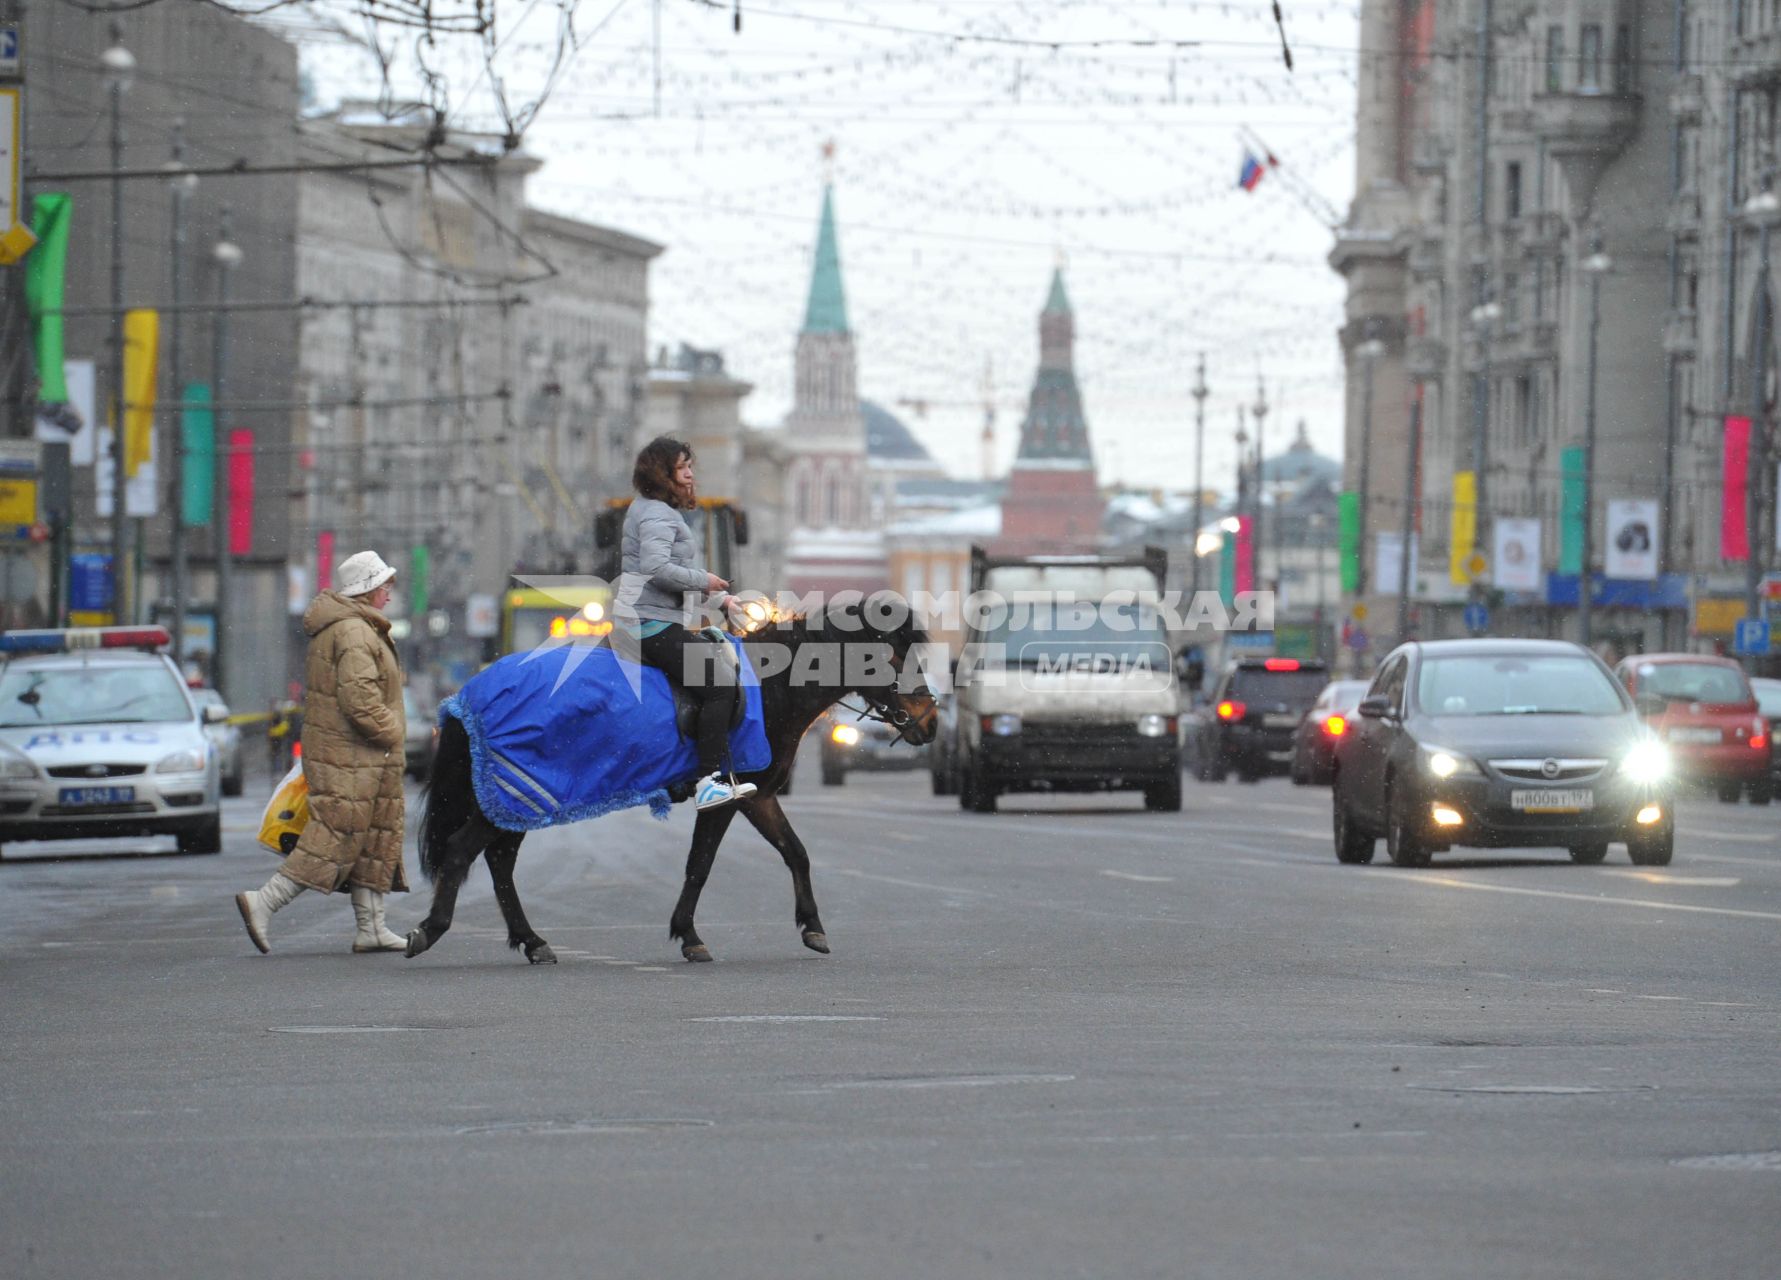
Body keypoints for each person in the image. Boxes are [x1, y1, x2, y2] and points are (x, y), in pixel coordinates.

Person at [234, 551, 410, 954]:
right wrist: (394, 729)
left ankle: (372, 928)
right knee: (334, 836)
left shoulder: (355, 627)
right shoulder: (353, 632)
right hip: (351, 756)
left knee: (370, 839)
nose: (389, 591)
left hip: (360, 756)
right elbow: (360, 700)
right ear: (367, 589)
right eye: (384, 584)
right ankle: (263, 902)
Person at [616, 436, 756, 810]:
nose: (691, 474)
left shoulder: (652, 510)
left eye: (689, 466)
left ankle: (699, 774)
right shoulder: (658, 515)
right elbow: (658, 570)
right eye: (682, 468)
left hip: (656, 618)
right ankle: (706, 781)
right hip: (652, 624)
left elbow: (676, 577)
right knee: (720, 686)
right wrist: (704, 580)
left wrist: (720, 598)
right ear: (662, 473)